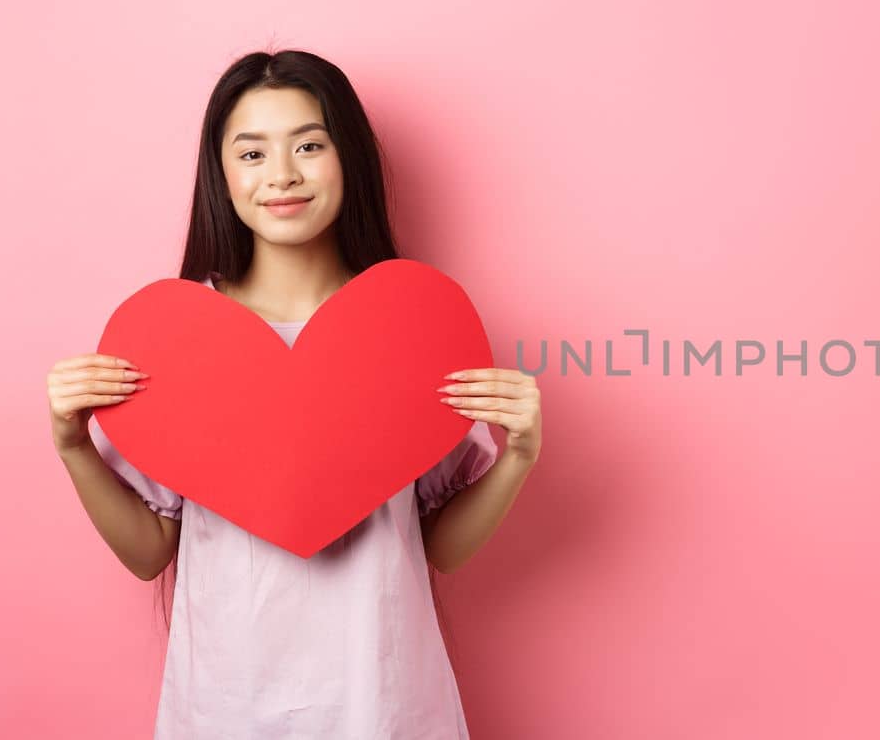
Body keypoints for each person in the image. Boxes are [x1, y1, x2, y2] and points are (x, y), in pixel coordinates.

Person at [44, 49, 543, 739]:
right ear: (220, 174)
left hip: (386, 702)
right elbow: (150, 551)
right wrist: (74, 448)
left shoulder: (410, 327)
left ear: (349, 159)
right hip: (226, 705)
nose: (281, 175)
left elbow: (440, 547)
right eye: (251, 154)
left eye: (309, 145)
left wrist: (518, 455)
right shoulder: (177, 342)